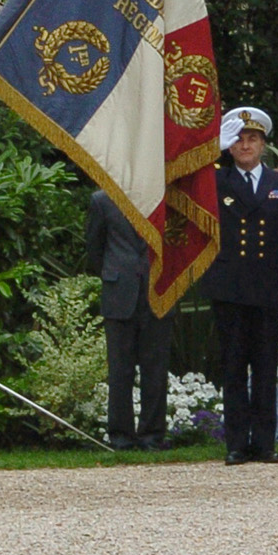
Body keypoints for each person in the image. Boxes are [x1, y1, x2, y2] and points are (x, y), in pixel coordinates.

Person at [202, 107, 278, 465]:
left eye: (252, 139)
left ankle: (264, 442)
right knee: (233, 367)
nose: (245, 145)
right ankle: (235, 443)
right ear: (229, 146)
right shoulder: (215, 180)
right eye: (238, 140)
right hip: (230, 286)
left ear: (263, 144)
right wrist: (211, 152)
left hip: (268, 287)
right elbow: (182, 184)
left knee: (265, 367)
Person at [87, 189, 174, 450]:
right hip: (119, 293)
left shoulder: (164, 198)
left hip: (157, 290)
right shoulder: (102, 200)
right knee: (119, 370)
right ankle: (121, 436)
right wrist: (115, 274)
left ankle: (152, 436)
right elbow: (94, 249)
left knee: (155, 369)